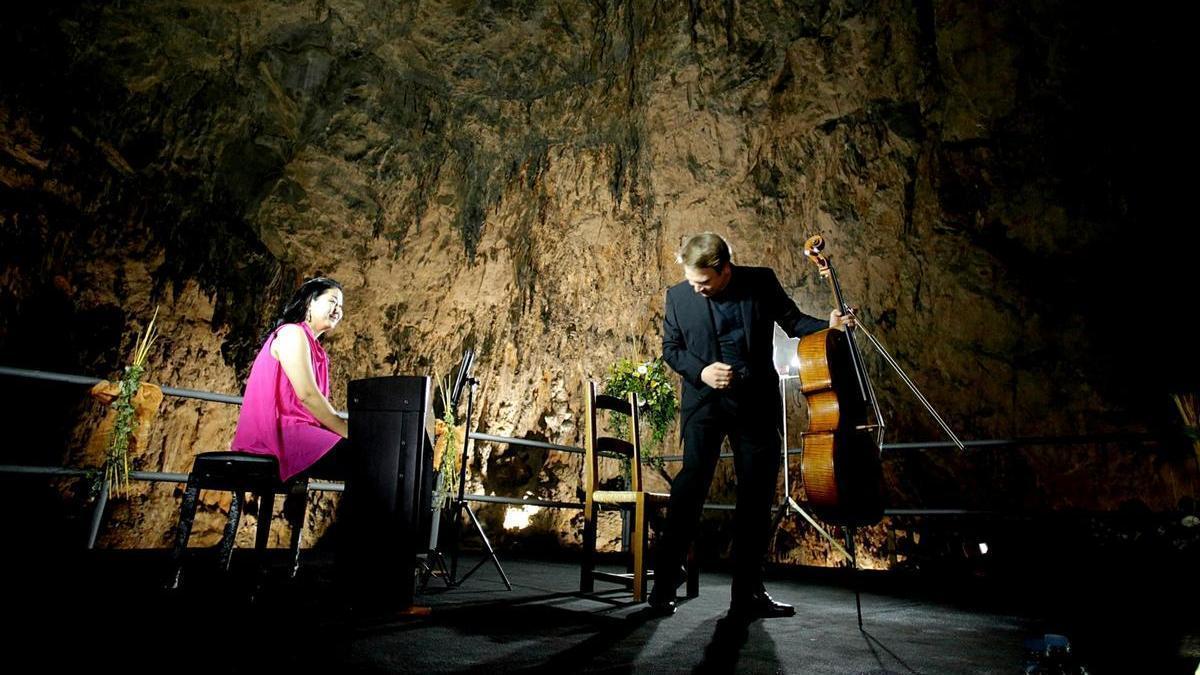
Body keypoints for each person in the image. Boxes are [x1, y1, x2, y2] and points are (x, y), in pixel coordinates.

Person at [648, 233, 852, 618]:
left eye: (704, 282)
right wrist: (702, 372)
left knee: (756, 499)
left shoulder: (760, 281)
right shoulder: (678, 296)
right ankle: (662, 587)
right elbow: (671, 349)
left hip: (755, 404)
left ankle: (748, 594)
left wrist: (829, 327)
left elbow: (793, 322)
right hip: (705, 404)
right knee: (689, 488)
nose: (696, 288)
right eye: (693, 281)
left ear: (725, 268)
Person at [231, 276, 350, 482]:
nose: (338, 309)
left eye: (340, 305)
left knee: (374, 458)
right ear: (309, 301)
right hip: (277, 433)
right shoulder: (292, 333)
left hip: (296, 431)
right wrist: (346, 429)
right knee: (370, 457)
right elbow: (307, 395)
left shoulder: (317, 351)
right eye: (332, 301)